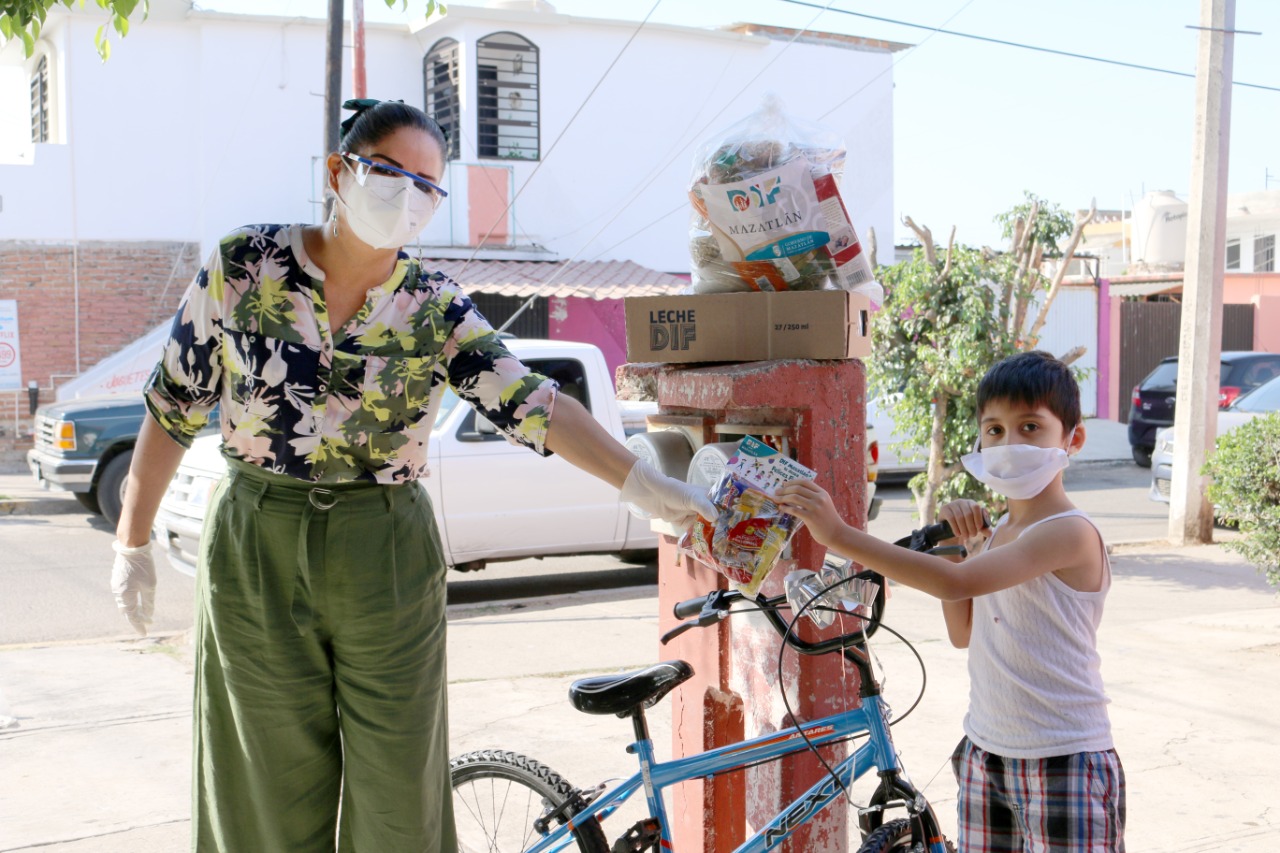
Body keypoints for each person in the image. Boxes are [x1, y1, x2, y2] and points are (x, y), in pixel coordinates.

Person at [109, 98, 713, 853]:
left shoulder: (432, 306)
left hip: (385, 548)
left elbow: (532, 403)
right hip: (257, 540)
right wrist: (131, 542)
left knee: (400, 793)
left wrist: (644, 482)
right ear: (339, 171)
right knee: (258, 786)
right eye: (391, 173)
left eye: (428, 186)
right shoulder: (243, 266)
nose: (409, 197)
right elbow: (172, 407)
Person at [777, 350, 1125, 853]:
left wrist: (838, 534)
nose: (1009, 443)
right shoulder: (1004, 528)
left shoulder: (1067, 532)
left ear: (1073, 438)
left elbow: (953, 585)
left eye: (1030, 427)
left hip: (1063, 758)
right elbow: (965, 631)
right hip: (987, 750)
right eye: (995, 430)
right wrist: (960, 547)